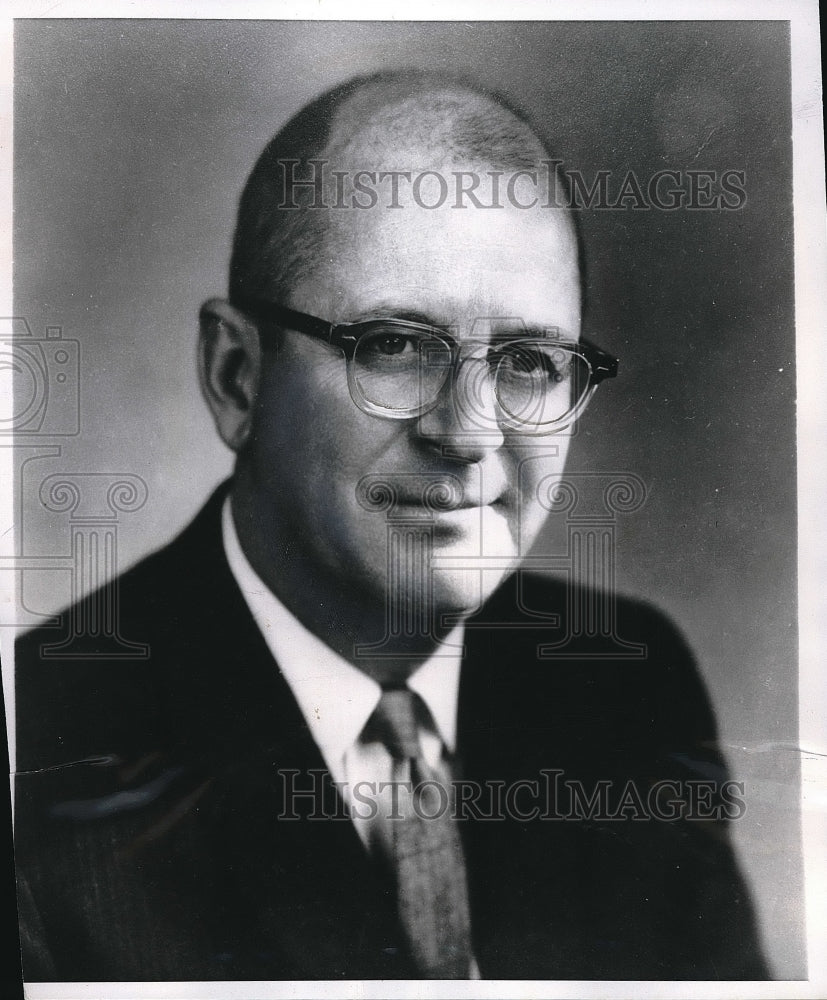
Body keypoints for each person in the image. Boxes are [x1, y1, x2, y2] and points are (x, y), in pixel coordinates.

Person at [13, 70, 768, 982]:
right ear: (235, 379)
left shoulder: (626, 689)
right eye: (396, 346)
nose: (470, 432)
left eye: (529, 360)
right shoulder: (42, 744)